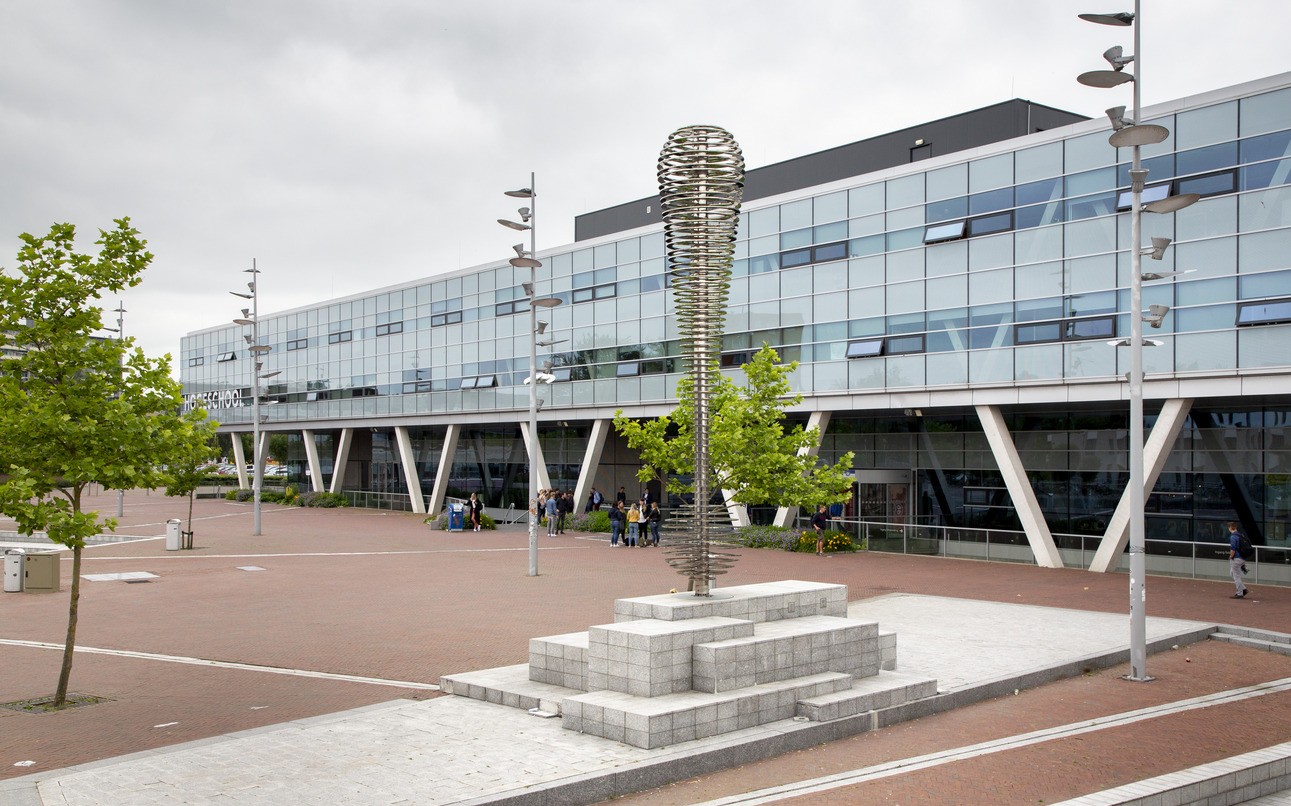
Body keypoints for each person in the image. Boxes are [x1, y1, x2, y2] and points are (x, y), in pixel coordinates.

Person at [1227, 521, 1252, 599]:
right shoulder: (1241, 535)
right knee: (1232, 573)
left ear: (1230, 528)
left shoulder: (1233, 536)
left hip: (1237, 558)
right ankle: (1243, 589)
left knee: (1236, 576)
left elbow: (1233, 549)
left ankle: (1240, 593)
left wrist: (1231, 557)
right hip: (1242, 557)